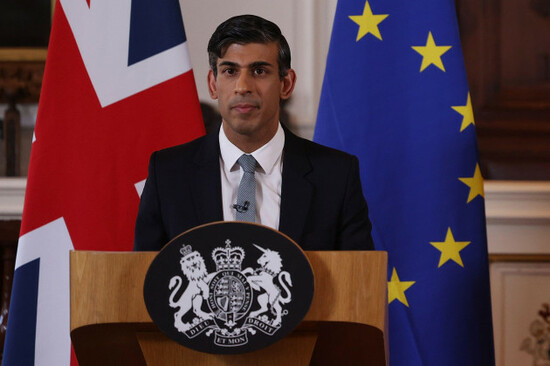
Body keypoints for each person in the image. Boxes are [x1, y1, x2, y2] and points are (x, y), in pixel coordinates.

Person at [134, 15, 374, 251]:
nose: (243, 87)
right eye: (230, 71)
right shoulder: (168, 173)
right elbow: (144, 280)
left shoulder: (336, 175)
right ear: (212, 84)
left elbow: (358, 283)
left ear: (286, 84)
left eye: (259, 71)